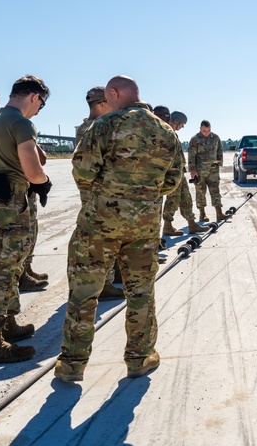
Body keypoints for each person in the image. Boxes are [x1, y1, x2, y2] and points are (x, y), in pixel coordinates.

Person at [55, 76, 184, 382]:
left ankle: (72, 364)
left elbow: (83, 171)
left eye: (107, 96)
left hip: (99, 225)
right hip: (144, 227)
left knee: (84, 293)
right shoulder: (165, 131)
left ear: (114, 94)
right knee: (140, 293)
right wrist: (142, 196)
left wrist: (108, 194)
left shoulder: (104, 126)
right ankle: (140, 359)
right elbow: (172, 181)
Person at [0, 75, 51, 364]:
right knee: (2, 271)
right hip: (6, 203)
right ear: (34, 97)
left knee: (3, 265)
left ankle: (8, 325)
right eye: (42, 103)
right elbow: (33, 170)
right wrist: (43, 181)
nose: (40, 110)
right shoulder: (20, 122)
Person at [74, 86, 124, 301]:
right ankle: (105, 284)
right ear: (102, 104)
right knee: (105, 236)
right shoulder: (100, 127)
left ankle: (109, 277)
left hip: (90, 190)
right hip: (102, 191)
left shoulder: (83, 127)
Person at [162, 111, 208, 236]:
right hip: (171, 173)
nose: (183, 127)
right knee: (173, 199)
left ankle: (191, 224)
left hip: (179, 173)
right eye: (182, 124)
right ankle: (167, 226)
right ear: (175, 121)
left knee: (186, 197)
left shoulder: (172, 134)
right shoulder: (165, 133)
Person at [189, 120, 224, 221]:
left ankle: (219, 213)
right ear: (200, 129)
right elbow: (191, 156)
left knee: (215, 191)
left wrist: (219, 163)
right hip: (200, 171)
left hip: (213, 170)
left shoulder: (216, 138)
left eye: (208, 131)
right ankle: (202, 214)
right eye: (204, 131)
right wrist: (192, 170)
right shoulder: (195, 139)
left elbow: (220, 151)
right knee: (200, 192)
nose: (206, 133)